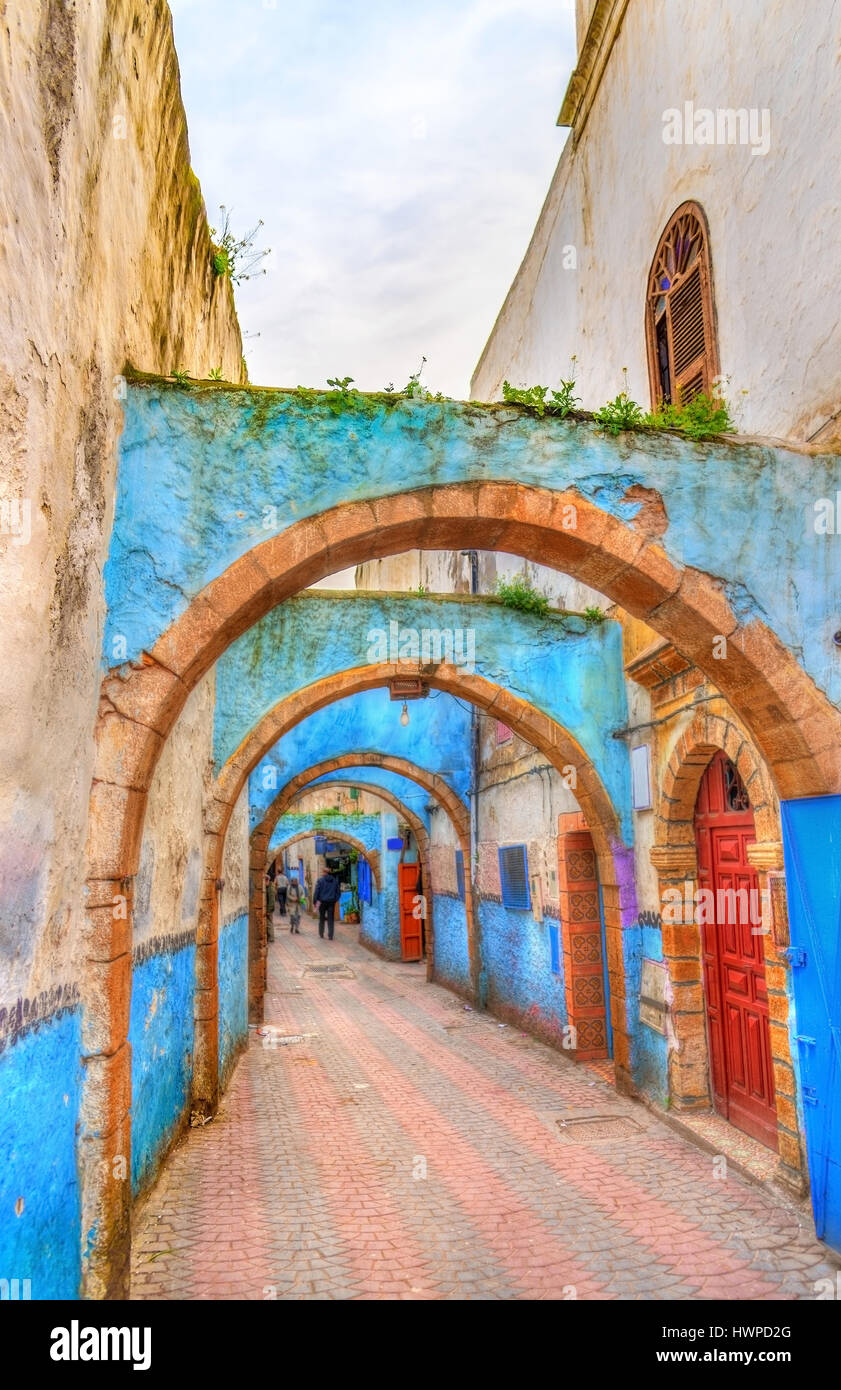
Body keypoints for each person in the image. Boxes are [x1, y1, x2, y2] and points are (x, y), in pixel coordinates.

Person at [313, 865, 341, 941]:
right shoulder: (335, 881)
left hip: (322, 902)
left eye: (323, 871)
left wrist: (315, 901)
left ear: (325, 872)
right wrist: (335, 900)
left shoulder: (320, 881)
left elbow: (316, 892)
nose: (322, 873)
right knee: (330, 919)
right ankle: (330, 935)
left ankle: (321, 933)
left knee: (322, 918)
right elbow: (338, 892)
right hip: (331, 902)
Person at [265, 873, 276, 943]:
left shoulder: (271, 888)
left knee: (269, 924)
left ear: (267, 880)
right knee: (269, 923)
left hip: (269, 909)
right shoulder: (269, 887)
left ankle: (271, 937)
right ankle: (270, 936)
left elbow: (272, 901)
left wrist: (269, 910)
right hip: (269, 908)